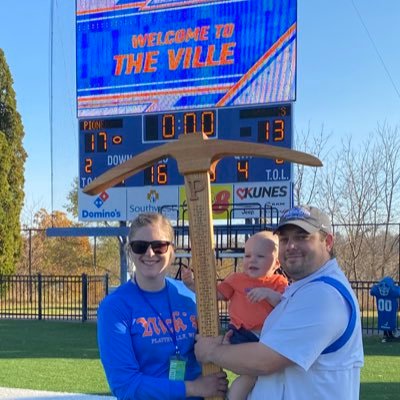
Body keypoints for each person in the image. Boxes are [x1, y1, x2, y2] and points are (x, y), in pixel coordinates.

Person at [194, 205, 364, 400]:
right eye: (284, 239)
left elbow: (264, 360)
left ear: (328, 242)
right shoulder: (302, 289)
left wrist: (212, 352)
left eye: (302, 237)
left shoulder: (323, 295)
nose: (291, 246)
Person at [97, 212, 228, 400]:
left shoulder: (190, 295)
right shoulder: (115, 307)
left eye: (159, 246)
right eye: (140, 246)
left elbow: (212, 346)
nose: (150, 254)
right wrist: (193, 388)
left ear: (172, 250)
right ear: (129, 250)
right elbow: (125, 385)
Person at [182, 231, 288, 344]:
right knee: (231, 352)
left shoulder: (279, 282)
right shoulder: (236, 279)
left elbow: (284, 305)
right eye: (247, 256)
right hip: (239, 331)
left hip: (268, 333)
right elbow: (215, 295)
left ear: (276, 263)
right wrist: (191, 284)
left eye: (260, 256)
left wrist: (268, 293)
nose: (252, 260)